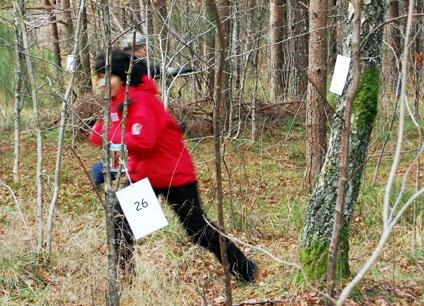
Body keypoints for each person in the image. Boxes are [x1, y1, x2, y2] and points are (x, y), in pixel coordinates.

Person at [89, 49, 258, 283]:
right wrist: (105, 131)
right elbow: (99, 136)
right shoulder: (118, 102)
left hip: (175, 176)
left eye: (106, 76)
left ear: (122, 76)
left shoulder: (143, 100)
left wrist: (110, 135)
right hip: (145, 177)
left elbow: (143, 141)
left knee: (198, 231)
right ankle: (124, 284)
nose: (102, 82)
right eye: (99, 77)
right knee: (120, 223)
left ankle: (246, 270)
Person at [122, 32, 194, 79]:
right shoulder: (124, 65)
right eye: (144, 48)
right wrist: (175, 71)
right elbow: (147, 72)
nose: (147, 51)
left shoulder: (132, 62)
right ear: (134, 47)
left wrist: (175, 70)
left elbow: (148, 70)